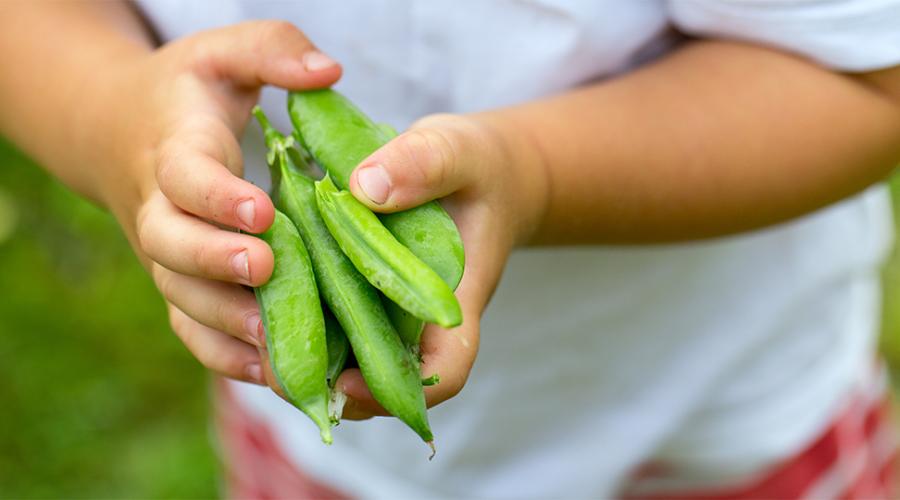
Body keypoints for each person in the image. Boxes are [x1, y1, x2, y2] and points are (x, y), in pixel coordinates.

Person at [2, 1, 900, 497]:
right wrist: (115, 118)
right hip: (329, 461)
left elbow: (869, 78)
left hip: (722, 426)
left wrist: (536, 172)